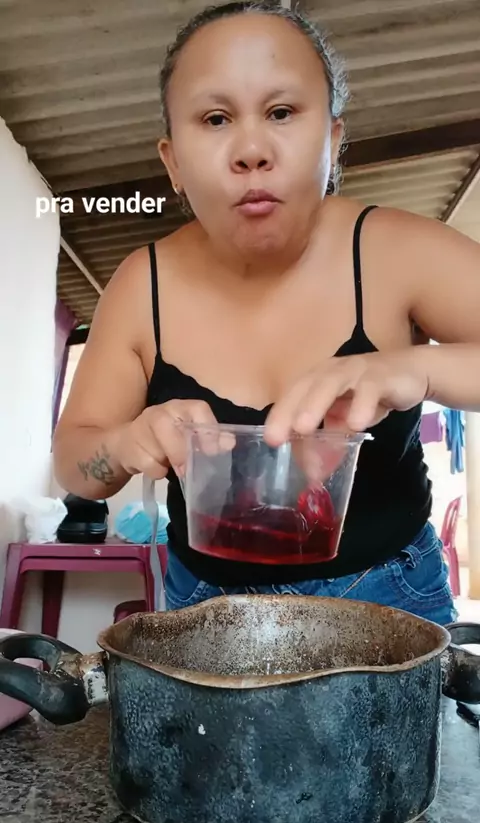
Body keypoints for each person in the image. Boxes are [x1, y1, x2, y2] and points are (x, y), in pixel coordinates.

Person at [53, 1, 480, 623]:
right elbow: (75, 463)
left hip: (390, 599)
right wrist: (122, 443)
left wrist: (416, 369)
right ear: (173, 162)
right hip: (207, 610)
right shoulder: (140, 286)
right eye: (216, 118)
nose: (251, 150)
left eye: (281, 112)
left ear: (332, 139)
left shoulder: (396, 250)